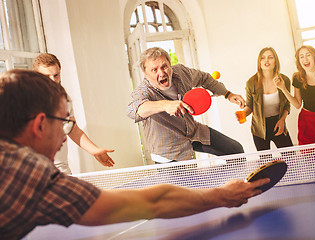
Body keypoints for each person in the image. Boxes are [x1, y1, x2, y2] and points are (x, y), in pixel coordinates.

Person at [0, 69, 270, 240]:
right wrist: (221, 195)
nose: (64, 134)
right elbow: (153, 203)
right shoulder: (26, 173)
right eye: (64, 123)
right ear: (38, 125)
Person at [127, 47, 245, 163]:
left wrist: (227, 94)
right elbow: (133, 110)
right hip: (168, 148)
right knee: (189, 180)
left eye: (164, 66)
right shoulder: (143, 91)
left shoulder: (181, 72)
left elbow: (205, 78)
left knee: (235, 151)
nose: (162, 73)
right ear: (146, 74)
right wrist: (165, 105)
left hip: (192, 131)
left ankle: (233, 183)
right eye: (154, 70)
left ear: (169, 65)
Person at [33, 53, 115, 173]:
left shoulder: (65, 99)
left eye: (56, 75)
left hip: (61, 170)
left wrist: (94, 150)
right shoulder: (25, 100)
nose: (53, 80)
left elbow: (72, 129)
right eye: (47, 76)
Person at [242, 47, 293, 152]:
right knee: (266, 163)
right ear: (259, 62)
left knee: (290, 158)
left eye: (270, 57)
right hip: (259, 129)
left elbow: (287, 104)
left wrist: (282, 119)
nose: (266, 60)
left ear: (275, 61)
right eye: (263, 58)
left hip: (279, 124)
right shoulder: (251, 83)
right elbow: (250, 106)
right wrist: (242, 114)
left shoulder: (285, 80)